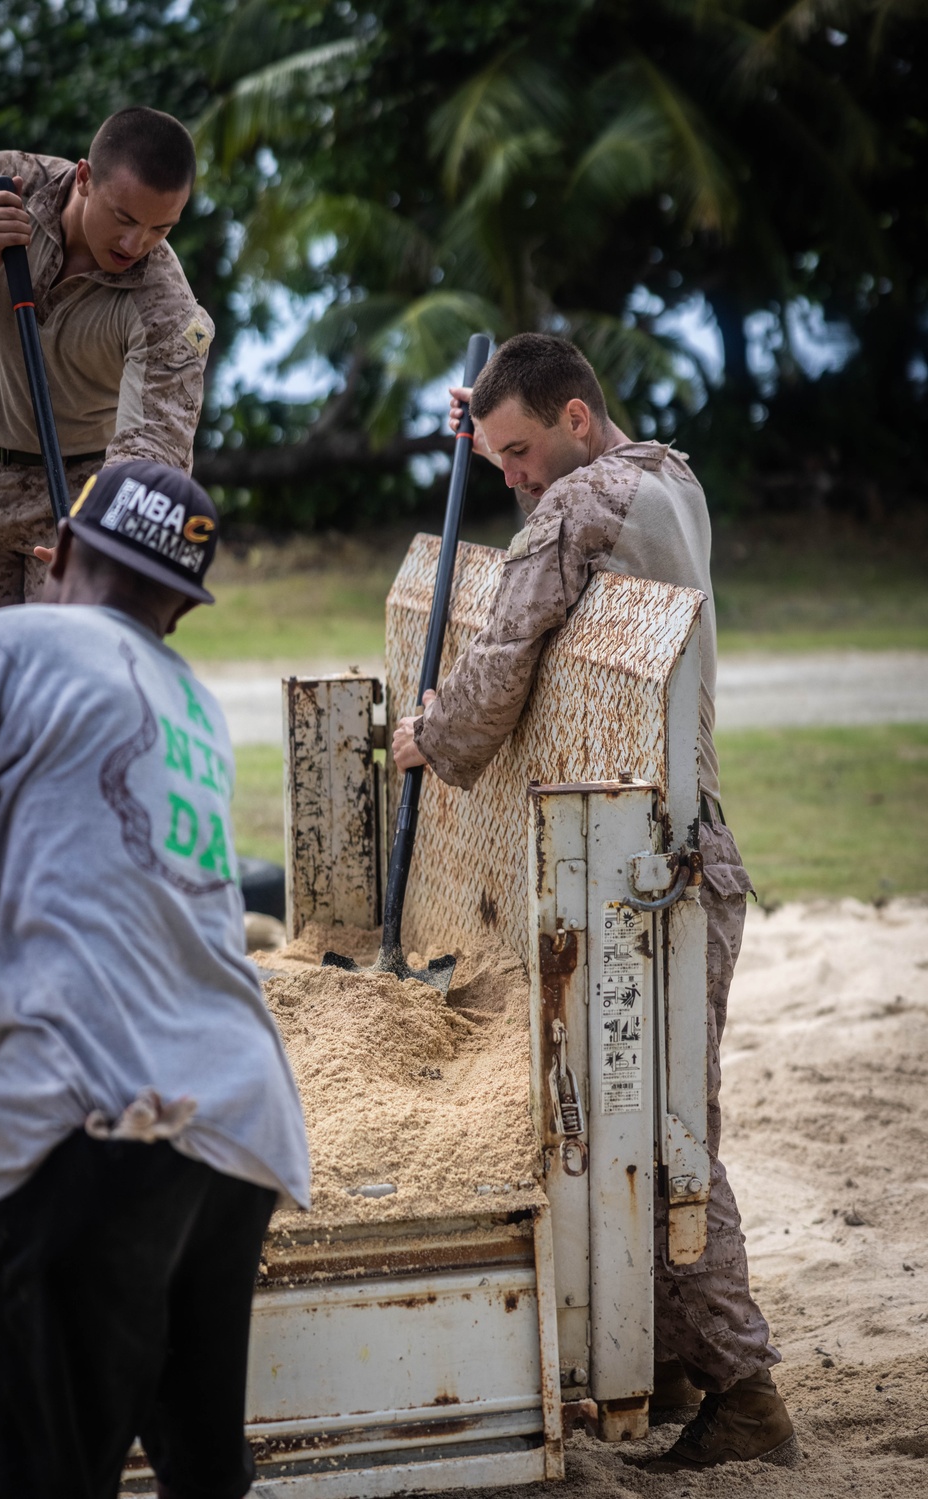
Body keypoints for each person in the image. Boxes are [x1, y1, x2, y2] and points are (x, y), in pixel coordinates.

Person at [392, 332, 795, 1471]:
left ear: (575, 420)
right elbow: (541, 374)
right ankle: (662, 1360)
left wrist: (429, 733)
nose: (509, 473)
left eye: (518, 451)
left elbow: (497, 662)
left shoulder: (573, 512)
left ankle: (744, 1387)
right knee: (645, 1119)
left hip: (639, 869)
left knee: (661, 1135)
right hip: (690, 850)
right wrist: (490, 415)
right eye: (495, 454)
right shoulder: (668, 472)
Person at [0, 460, 309, 1499]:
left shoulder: (17, 639)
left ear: (56, 550)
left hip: (104, 1116)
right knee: (199, 1473)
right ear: (178, 602)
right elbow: (87, 866)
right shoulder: (188, 705)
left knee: (30, 1472)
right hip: (235, 1122)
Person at [0, 106, 215, 668]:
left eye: (161, 228)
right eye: (124, 217)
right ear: (84, 177)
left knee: (58, 694)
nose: (137, 242)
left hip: (76, 505)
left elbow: (153, 453)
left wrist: (99, 538)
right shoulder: (3, 184)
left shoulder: (166, 308)